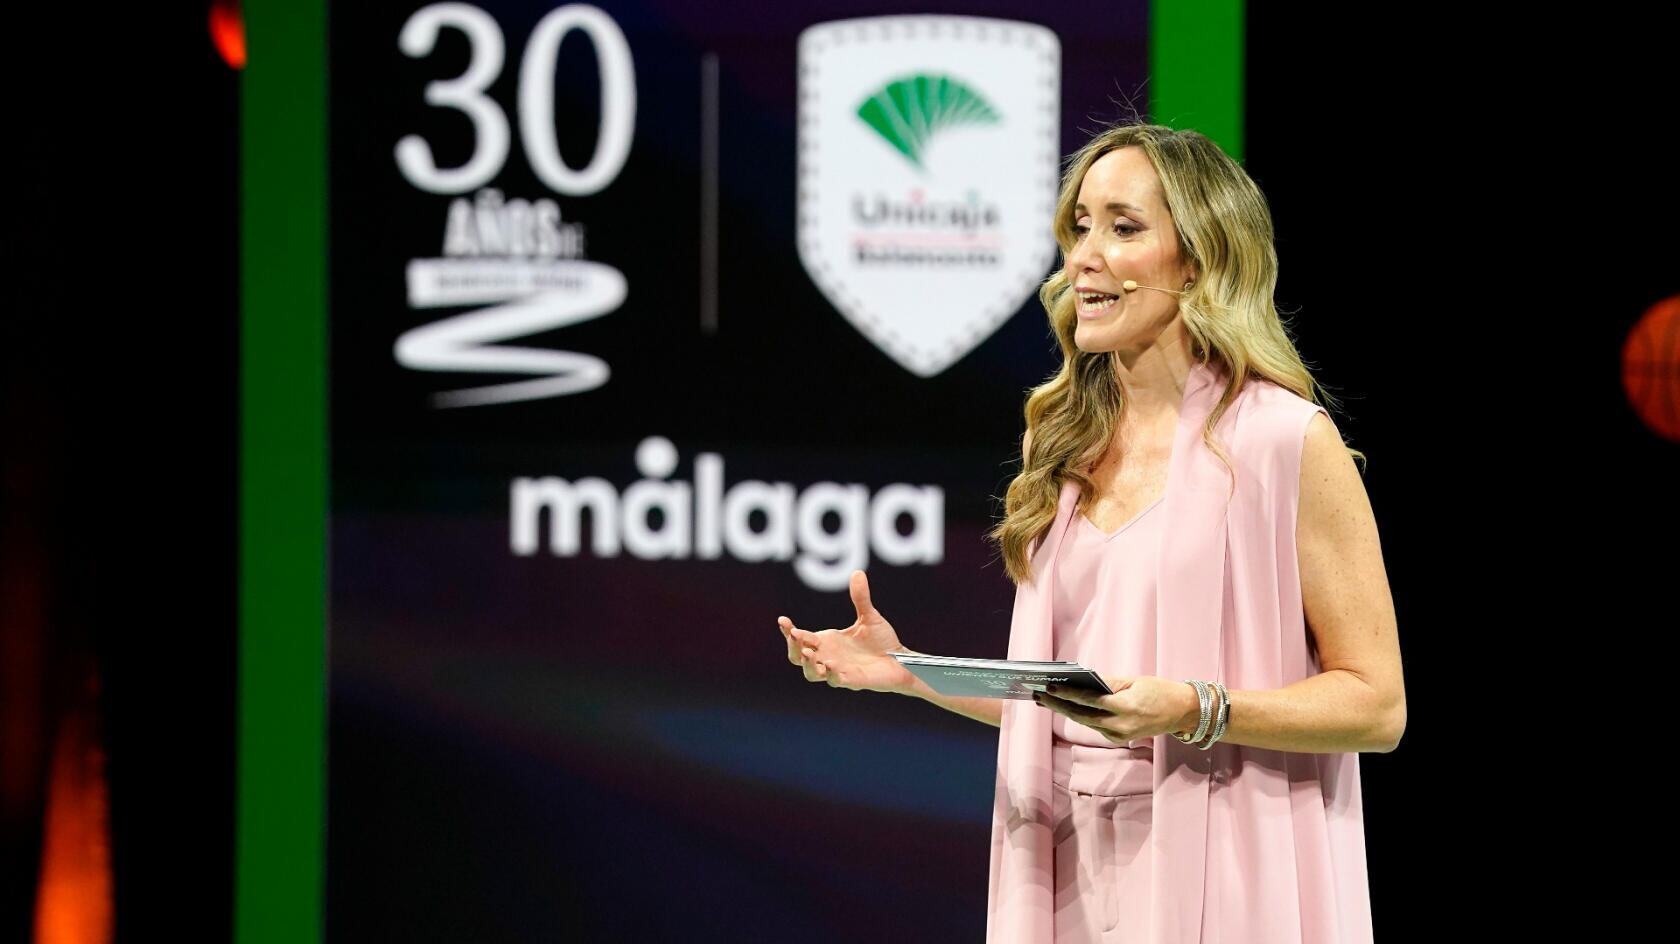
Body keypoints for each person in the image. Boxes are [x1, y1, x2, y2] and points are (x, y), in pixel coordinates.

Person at [777, 123, 1404, 943]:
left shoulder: (1285, 441)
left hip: (1235, 872)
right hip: (1070, 871)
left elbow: (1377, 704)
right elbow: (1070, 706)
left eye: (1124, 226)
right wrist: (908, 673)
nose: (1085, 256)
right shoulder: (1060, 441)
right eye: (1079, 226)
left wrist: (1192, 707)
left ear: (1199, 257)